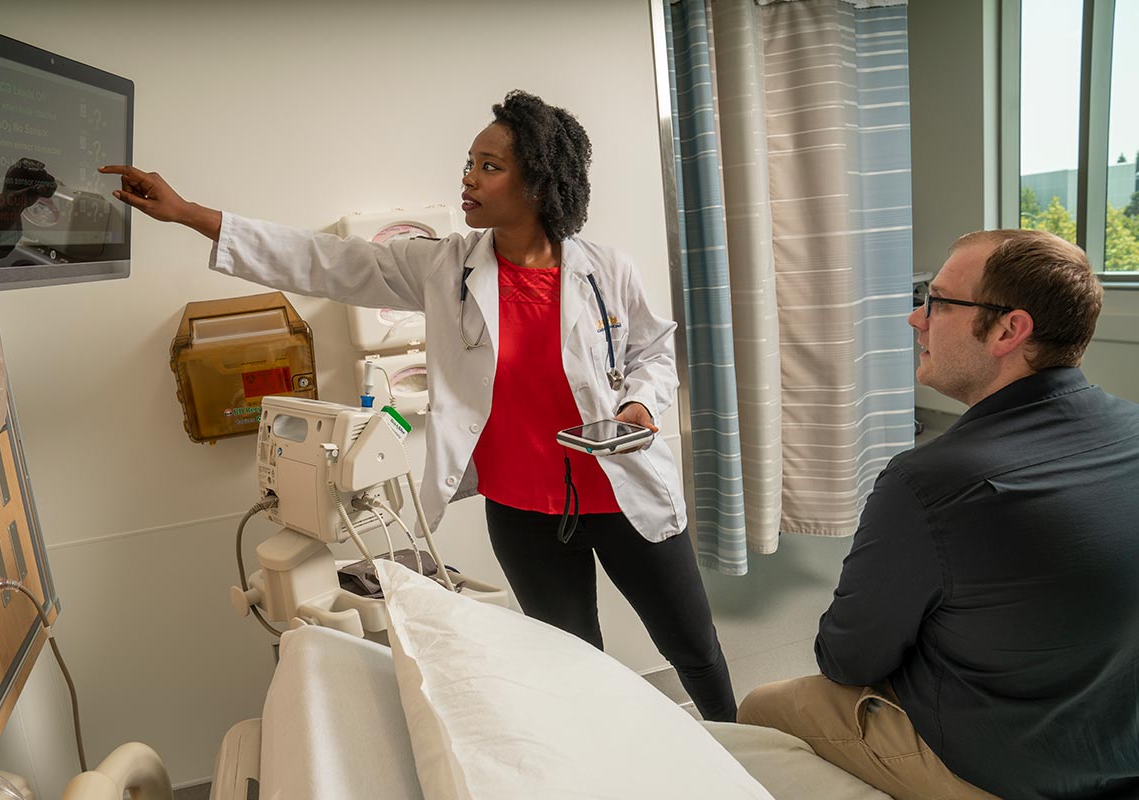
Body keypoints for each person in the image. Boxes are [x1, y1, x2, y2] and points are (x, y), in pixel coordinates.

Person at [101, 90, 738, 721]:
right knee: (575, 668)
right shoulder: (444, 268)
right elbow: (324, 261)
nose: (469, 177)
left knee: (692, 647)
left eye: (490, 166)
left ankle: (743, 749)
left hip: (622, 495)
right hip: (524, 515)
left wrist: (641, 407)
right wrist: (190, 214)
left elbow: (654, 351)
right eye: (469, 162)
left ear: (539, 183)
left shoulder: (606, 270)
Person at [737, 229, 1139, 799]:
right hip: (1115, 751)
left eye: (937, 302)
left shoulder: (929, 483)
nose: (915, 319)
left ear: (1008, 330)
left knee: (761, 706)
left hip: (1006, 772)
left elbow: (847, 659)